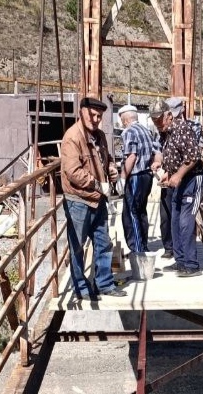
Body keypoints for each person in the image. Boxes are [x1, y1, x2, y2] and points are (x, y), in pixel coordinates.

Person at [60, 96, 126, 301]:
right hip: (79, 200)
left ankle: (104, 284)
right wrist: (99, 184)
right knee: (77, 246)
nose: (96, 120)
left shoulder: (100, 136)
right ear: (82, 112)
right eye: (93, 115)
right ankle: (81, 288)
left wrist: (112, 168)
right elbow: (73, 172)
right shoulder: (72, 137)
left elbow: (108, 159)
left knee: (103, 242)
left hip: (98, 199)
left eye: (99, 116)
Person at [155, 96, 203, 278]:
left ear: (169, 116)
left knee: (185, 220)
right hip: (181, 180)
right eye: (155, 123)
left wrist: (178, 174)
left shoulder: (182, 129)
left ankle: (192, 264)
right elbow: (173, 157)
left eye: (160, 121)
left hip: (193, 179)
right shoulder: (168, 133)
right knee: (175, 220)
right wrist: (169, 173)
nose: (158, 126)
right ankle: (181, 260)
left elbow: (193, 156)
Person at [118, 104, 154, 257]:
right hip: (147, 175)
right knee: (141, 211)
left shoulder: (129, 132)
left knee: (131, 213)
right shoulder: (146, 130)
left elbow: (131, 156)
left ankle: (138, 250)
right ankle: (143, 245)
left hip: (136, 176)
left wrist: (122, 177)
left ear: (125, 120)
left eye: (121, 121)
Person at [149, 101, 174, 259]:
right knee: (165, 215)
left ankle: (180, 249)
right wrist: (158, 162)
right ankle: (169, 247)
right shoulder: (160, 134)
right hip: (167, 178)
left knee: (179, 217)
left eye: (159, 120)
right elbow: (158, 151)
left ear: (168, 115)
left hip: (180, 179)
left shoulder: (179, 130)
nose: (157, 123)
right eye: (154, 120)